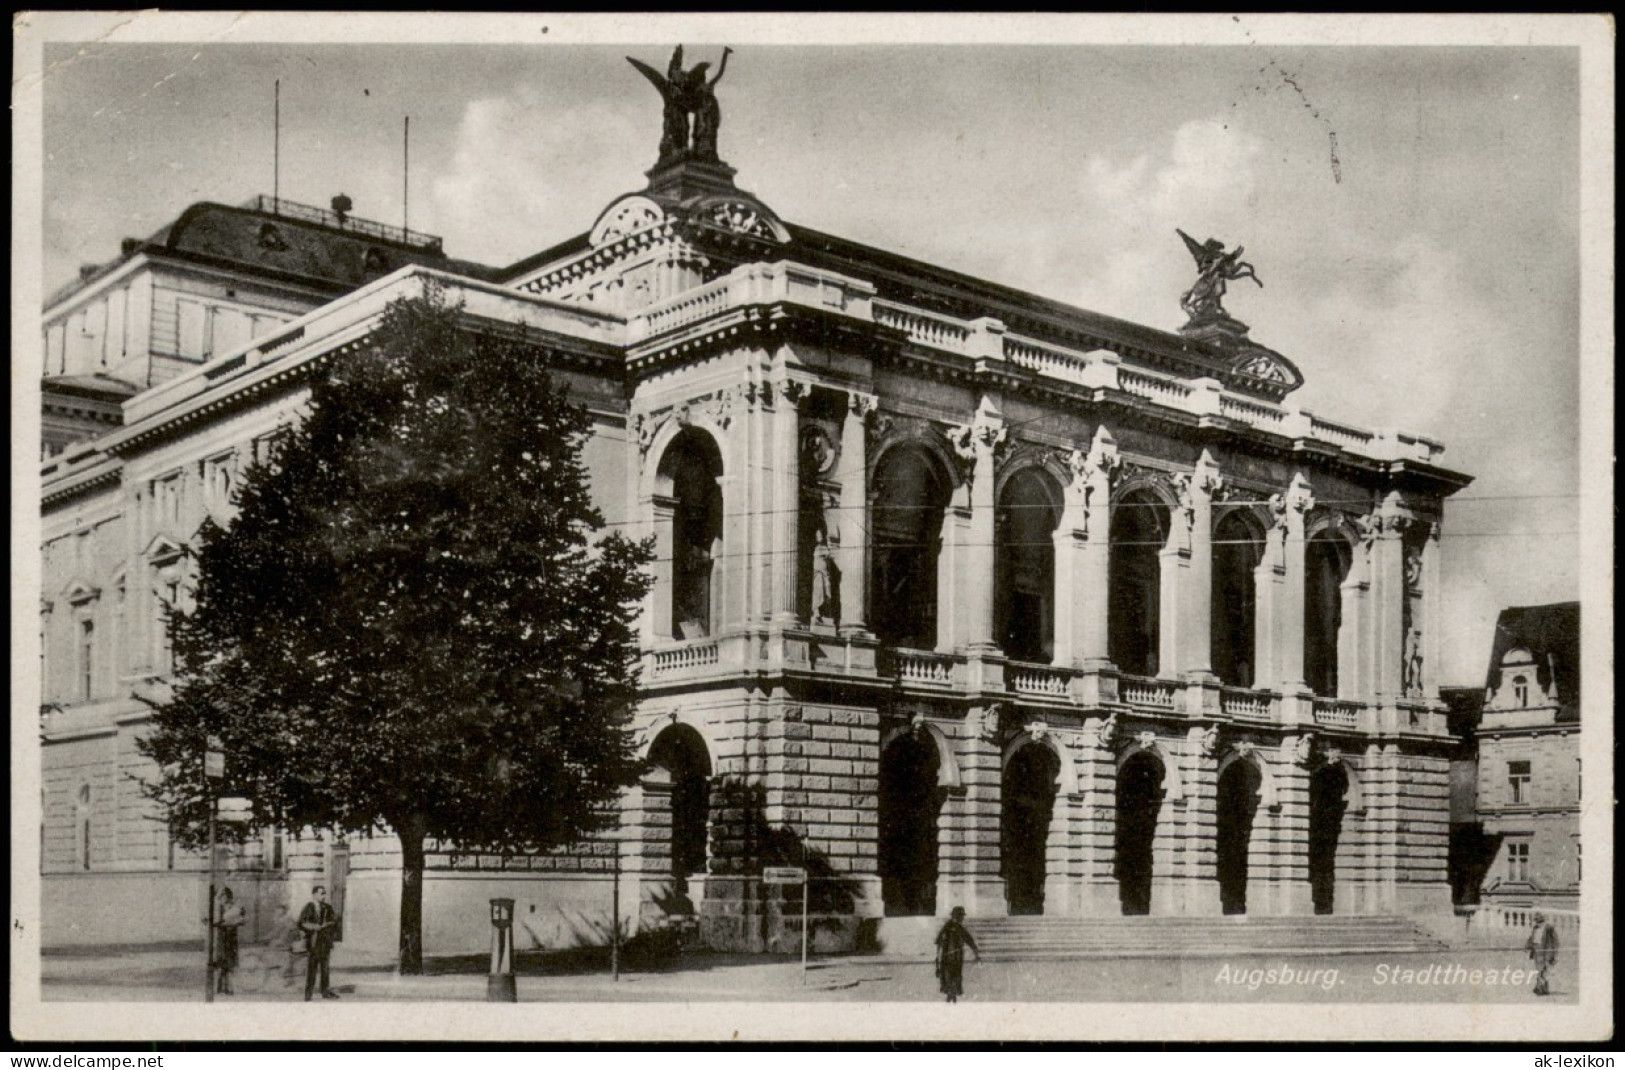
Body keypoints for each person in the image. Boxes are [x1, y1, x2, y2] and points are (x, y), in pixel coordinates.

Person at [299, 885, 341, 1001]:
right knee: (312, 969)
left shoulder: (327, 907)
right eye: (321, 893)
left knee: (325, 969)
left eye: (324, 893)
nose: (324, 896)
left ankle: (325, 991)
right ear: (314, 895)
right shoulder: (309, 907)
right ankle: (308, 994)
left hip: (325, 943)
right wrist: (313, 927)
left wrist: (328, 927)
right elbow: (301, 922)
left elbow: (334, 921)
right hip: (313, 943)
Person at [934, 906, 980, 1003]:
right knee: (952, 976)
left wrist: (975, 950)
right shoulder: (952, 927)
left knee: (952, 977)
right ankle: (951, 995)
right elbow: (939, 941)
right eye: (962, 916)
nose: (963, 918)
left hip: (952, 957)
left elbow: (968, 939)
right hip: (950, 957)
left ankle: (951, 995)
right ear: (957, 916)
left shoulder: (952, 926)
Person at [213, 886, 246, 995]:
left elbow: (242, 918)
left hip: (230, 937)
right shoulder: (219, 908)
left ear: (228, 896)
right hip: (222, 937)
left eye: (223, 896)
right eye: (220, 896)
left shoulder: (235, 907)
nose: (221, 898)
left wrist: (236, 921)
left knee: (229, 963)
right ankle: (220, 986)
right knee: (222, 962)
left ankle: (228, 987)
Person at [1525, 911, 1559, 996]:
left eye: (1539, 921)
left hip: (1546, 952)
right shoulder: (1535, 928)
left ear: (1543, 920)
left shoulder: (1548, 927)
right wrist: (1527, 946)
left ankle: (1540, 987)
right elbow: (1531, 938)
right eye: (1536, 921)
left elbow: (1555, 940)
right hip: (1537, 952)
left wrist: (1555, 953)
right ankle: (1542, 988)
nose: (1538, 923)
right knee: (1540, 969)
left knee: (1544, 970)